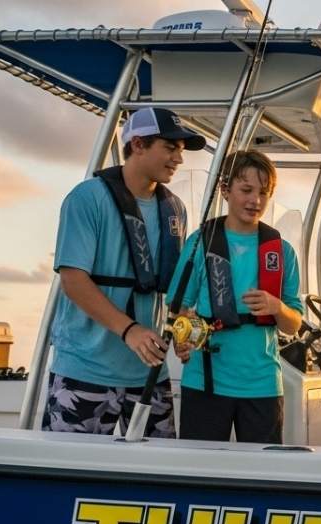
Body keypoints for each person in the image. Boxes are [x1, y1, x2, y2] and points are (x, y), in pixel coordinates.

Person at [43, 107, 205, 437]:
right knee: (70, 472)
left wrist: (184, 327)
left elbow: (171, 286)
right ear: (139, 144)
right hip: (83, 372)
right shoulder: (86, 199)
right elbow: (73, 281)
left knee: (159, 480)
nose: (178, 159)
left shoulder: (176, 209)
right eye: (170, 147)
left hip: (149, 377)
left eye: (181, 151)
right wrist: (130, 330)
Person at [169, 150, 303, 444]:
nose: (255, 200)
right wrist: (183, 335)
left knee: (261, 479)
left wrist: (276, 306)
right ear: (225, 190)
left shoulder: (283, 252)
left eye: (263, 193)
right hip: (205, 382)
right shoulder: (199, 242)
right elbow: (179, 306)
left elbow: (293, 324)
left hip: (263, 385)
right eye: (246, 190)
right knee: (198, 474)